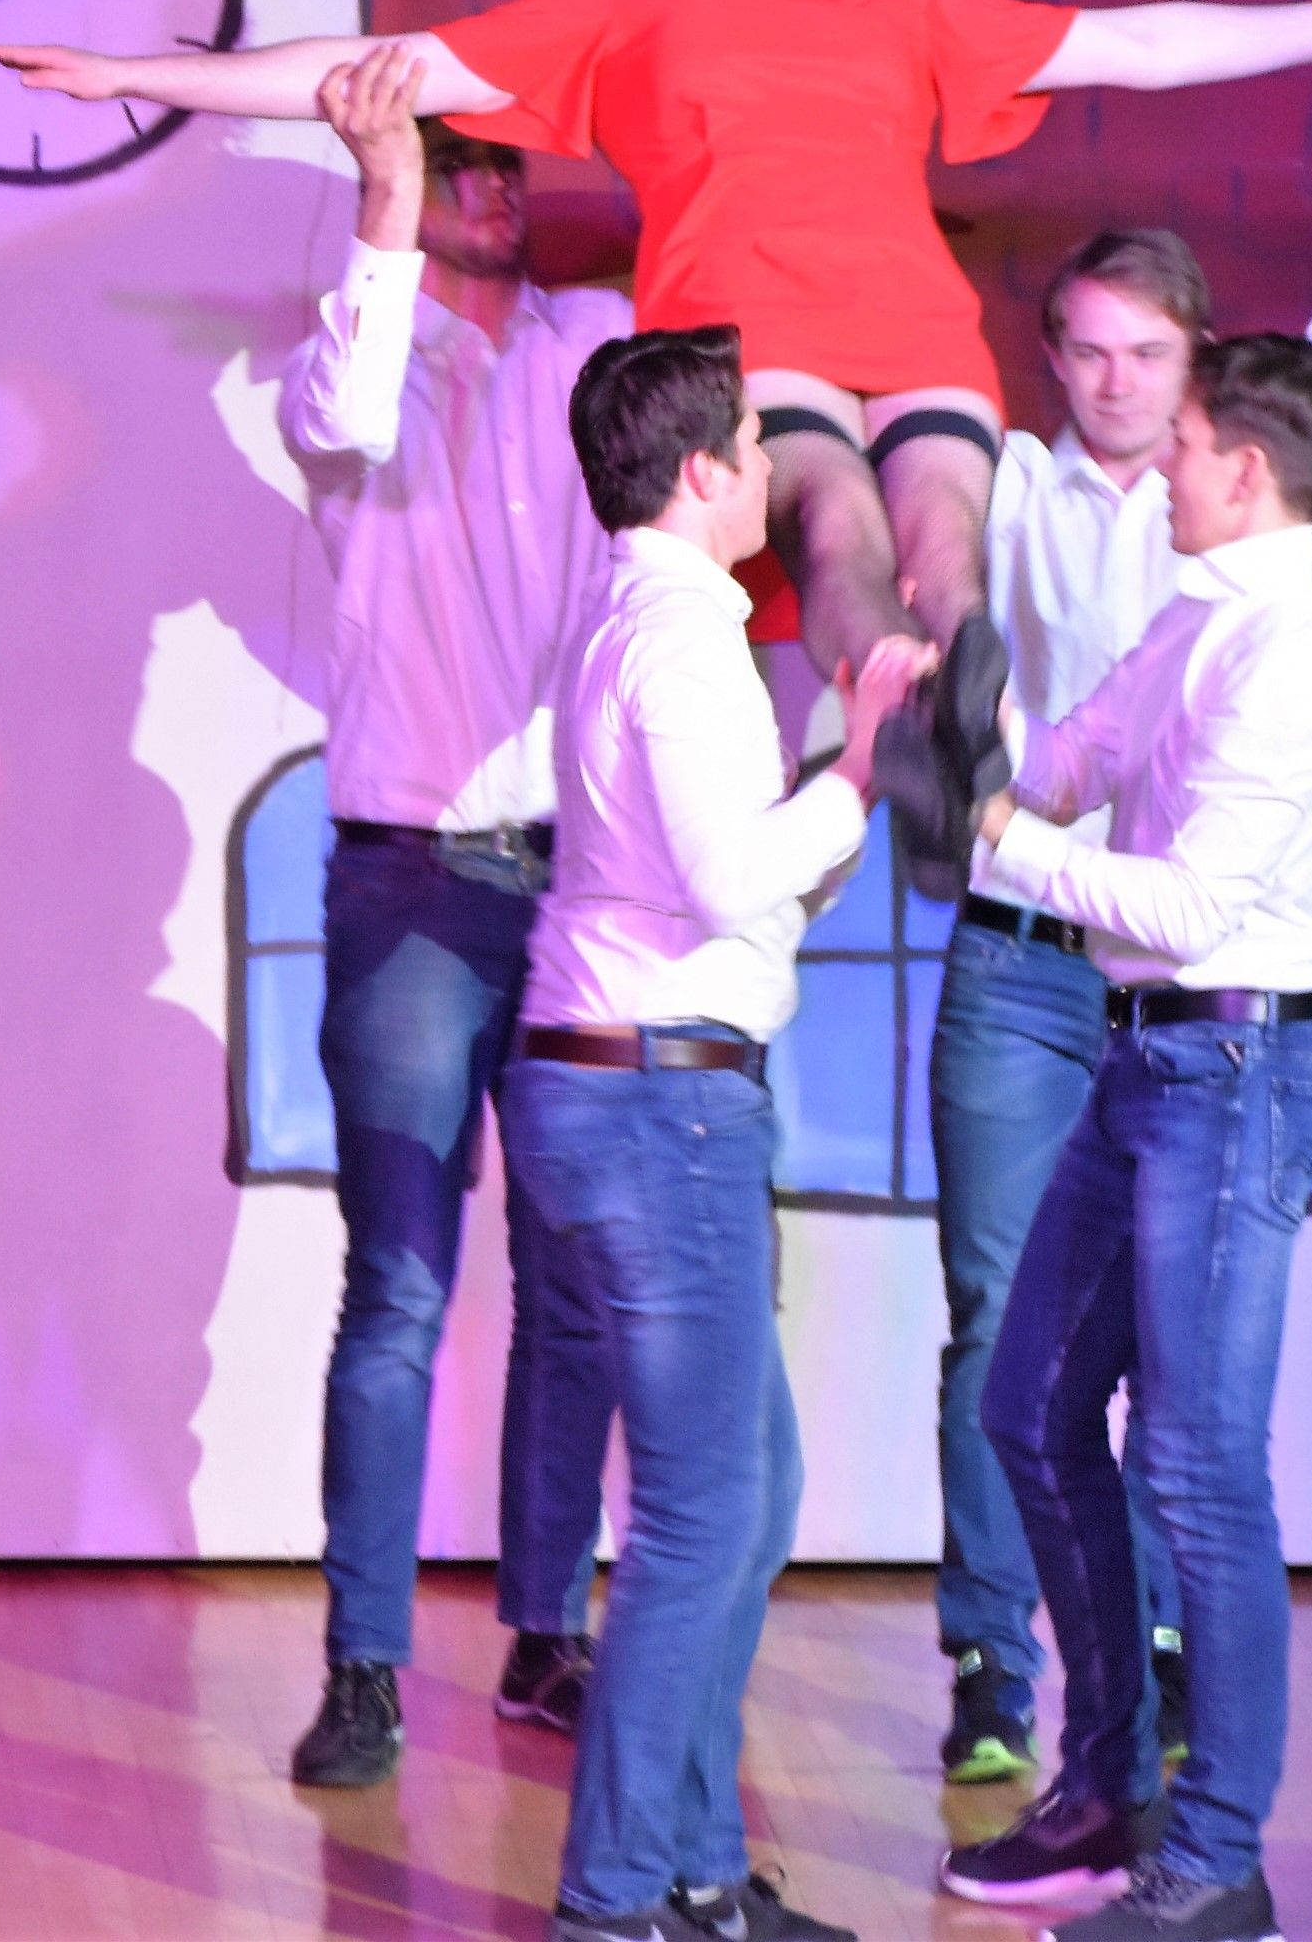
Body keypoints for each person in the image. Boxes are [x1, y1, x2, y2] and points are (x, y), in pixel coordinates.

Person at [0, 0, 1312, 871]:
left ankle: (953, 719)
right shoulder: (618, 16)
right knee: (835, 525)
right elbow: (377, 66)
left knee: (946, 540)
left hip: (911, 319)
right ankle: (899, 713)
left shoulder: (900, 7)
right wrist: (133, 72)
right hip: (757, 333)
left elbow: (1137, 42)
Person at [930, 16, 1312, 1786]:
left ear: (1207, 389)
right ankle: (1009, 1676)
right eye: (1085, 352)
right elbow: (1055, 734)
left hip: (1199, 997)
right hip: (1042, 968)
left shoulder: (1256, 559)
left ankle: (1179, 1735)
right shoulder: (1028, 498)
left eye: (1151, 358)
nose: (1119, 389)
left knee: (1186, 1415)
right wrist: (946, 755)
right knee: (1010, 1347)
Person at [940, 331, 1312, 1942]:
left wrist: (997, 839)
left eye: (1183, 440)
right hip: (1149, 1063)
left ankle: (1217, 1860)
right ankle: (1109, 1781)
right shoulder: (1200, 614)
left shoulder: (1300, 662)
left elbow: (1191, 907)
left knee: (1197, 1466)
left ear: (1245, 470)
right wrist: (965, 733)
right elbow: (1079, 759)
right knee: (1030, 1409)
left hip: (1234, 1069)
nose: (1160, 462)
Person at [501, 323, 929, 1942]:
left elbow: (725, 878)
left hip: (637, 1089)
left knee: (744, 1496)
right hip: (655, 1104)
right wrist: (862, 770)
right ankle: (617, 1901)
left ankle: (691, 1878)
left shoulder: (645, 619)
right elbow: (731, 879)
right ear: (700, 471)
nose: (770, 471)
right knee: (701, 1518)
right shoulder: (678, 638)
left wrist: (837, 784)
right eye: (756, 445)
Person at [279, 40, 631, 1787]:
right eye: (454, 158)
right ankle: (364, 1666)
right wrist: (383, 201)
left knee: (570, 1290)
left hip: (580, 879)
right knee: (403, 1285)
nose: (490, 183)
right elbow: (338, 419)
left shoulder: (596, 344)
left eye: (505, 159)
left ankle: (546, 1634)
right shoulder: (357, 355)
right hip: (412, 876)